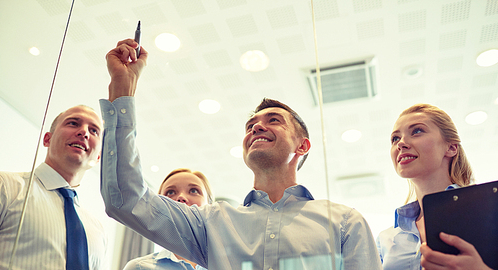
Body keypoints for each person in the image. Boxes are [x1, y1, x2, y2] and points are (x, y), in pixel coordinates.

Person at [100, 38, 381, 270]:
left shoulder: (344, 222)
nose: (258, 126)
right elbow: (125, 199)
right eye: (251, 125)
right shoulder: (210, 222)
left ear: (302, 146)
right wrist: (122, 89)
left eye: (274, 120)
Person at [376, 103, 492, 270]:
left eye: (417, 131)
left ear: (451, 147)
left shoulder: (489, 211)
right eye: (395, 138)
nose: (401, 143)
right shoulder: (386, 239)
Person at [0, 105, 107, 269]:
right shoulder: (5, 186)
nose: (84, 132)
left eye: (94, 131)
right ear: (47, 139)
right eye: (73, 123)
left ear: (98, 157)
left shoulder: (97, 229)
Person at [123, 168, 211, 270]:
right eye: (170, 192)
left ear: (209, 206)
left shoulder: (228, 265)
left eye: (194, 191)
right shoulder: (138, 267)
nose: (181, 197)